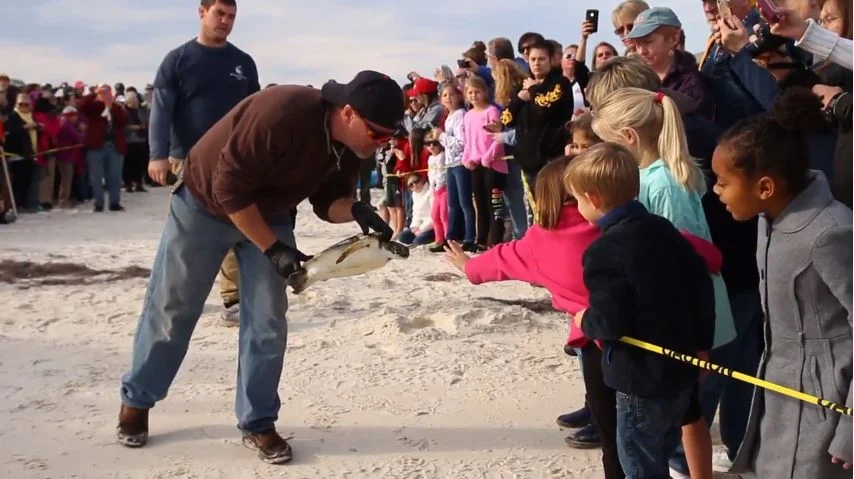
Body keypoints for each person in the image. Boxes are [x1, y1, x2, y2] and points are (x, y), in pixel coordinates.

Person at [116, 71, 402, 465]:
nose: (382, 144)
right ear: (349, 113)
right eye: (378, 134)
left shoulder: (354, 147)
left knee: (268, 319)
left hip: (271, 210)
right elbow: (228, 190)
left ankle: (258, 421)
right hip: (203, 203)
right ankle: (138, 399)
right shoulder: (282, 111)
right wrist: (274, 250)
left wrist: (355, 210)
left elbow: (326, 201)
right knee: (174, 307)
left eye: (389, 137)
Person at [716, 88, 853, 479]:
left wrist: (851, 429)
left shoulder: (831, 233)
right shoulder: (767, 220)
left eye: (724, 182)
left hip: (827, 407)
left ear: (764, 187)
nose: (716, 190)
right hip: (779, 395)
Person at [565, 142, 716, 478]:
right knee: (664, 446)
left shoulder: (604, 250)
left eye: (577, 199)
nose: (578, 206)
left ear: (592, 198)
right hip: (681, 365)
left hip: (640, 378)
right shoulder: (663, 229)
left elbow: (610, 320)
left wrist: (586, 320)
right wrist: (702, 343)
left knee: (640, 462)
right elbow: (701, 287)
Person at [147, 0, 260, 325]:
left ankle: (234, 299)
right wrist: (158, 155)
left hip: (234, 160)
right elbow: (161, 109)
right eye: (219, 14)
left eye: (231, 16)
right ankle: (172, 299)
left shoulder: (243, 63)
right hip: (189, 160)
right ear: (202, 12)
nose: (225, 21)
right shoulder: (178, 60)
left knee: (235, 223)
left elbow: (254, 111)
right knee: (186, 233)